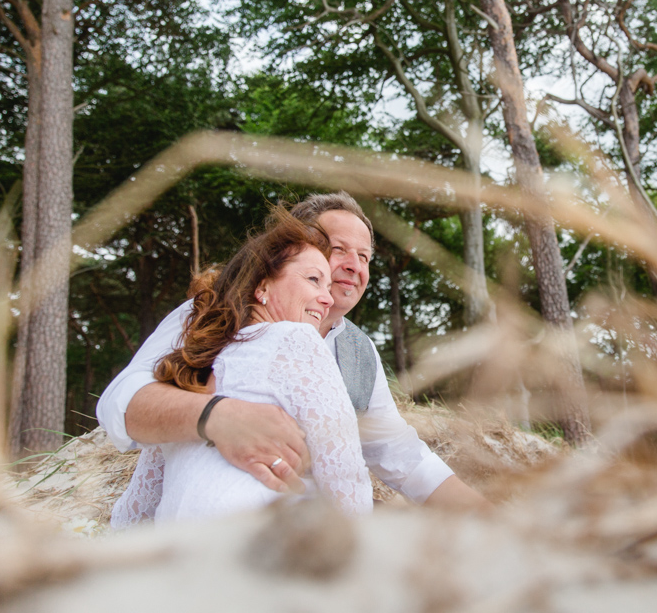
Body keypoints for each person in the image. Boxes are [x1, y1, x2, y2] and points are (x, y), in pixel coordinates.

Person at [97, 192, 486, 525]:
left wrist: (495, 519)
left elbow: (404, 458)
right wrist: (218, 417)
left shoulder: (359, 351)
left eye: (365, 256)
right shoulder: (209, 312)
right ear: (291, 249)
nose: (355, 264)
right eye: (338, 250)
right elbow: (120, 404)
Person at [146, 212, 371, 520]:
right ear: (262, 287)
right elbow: (343, 473)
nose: (327, 299)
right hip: (263, 544)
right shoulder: (299, 340)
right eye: (314, 280)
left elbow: (143, 494)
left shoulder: (193, 364)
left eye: (328, 285)